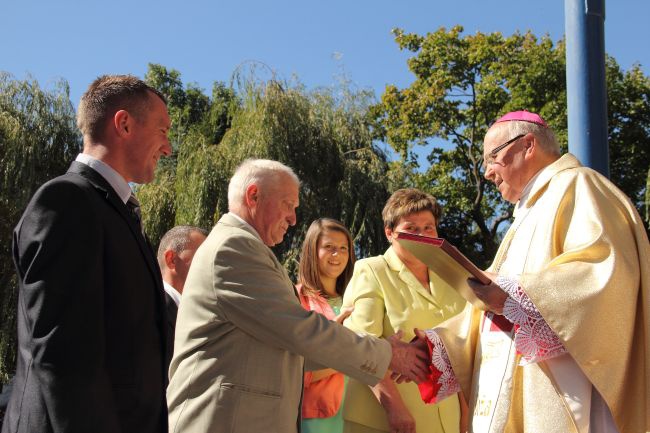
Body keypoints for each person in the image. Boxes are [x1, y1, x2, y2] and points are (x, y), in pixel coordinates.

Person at [416, 111, 650, 433]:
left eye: (493, 158)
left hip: (568, 391)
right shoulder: (524, 217)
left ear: (528, 145)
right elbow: (490, 312)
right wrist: (434, 346)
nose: (487, 173)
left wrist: (515, 295)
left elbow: (605, 271)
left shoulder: (579, 185)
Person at [166, 159, 430, 433]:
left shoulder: (243, 247)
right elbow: (299, 330)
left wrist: (358, 344)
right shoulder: (234, 247)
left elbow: (290, 348)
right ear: (253, 195)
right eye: (288, 205)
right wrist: (386, 354)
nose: (293, 218)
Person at [2, 75, 172, 433]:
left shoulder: (114, 212)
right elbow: (65, 357)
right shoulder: (66, 202)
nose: (168, 148)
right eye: (162, 130)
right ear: (124, 124)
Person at [342, 188, 468, 433]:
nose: (421, 235)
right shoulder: (371, 270)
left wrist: (465, 415)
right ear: (390, 233)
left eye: (428, 227)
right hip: (384, 420)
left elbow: (463, 350)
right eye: (411, 228)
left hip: (447, 421)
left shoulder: (452, 277)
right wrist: (394, 408)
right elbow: (357, 344)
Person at [296, 218, 356, 433]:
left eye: (343, 248)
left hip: (361, 412)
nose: (337, 255)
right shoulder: (295, 300)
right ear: (312, 251)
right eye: (328, 247)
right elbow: (296, 371)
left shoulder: (357, 298)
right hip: (319, 419)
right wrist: (356, 357)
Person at [157, 225, 208, 360]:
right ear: (171, 259)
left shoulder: (190, 312)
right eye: (202, 258)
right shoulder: (154, 310)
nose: (210, 268)